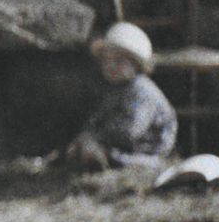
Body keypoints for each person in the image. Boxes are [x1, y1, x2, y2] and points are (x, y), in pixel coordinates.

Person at [44, 21, 179, 172]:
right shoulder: (116, 88)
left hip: (148, 150)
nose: (110, 66)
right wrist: (86, 134)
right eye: (106, 61)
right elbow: (99, 116)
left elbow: (131, 130)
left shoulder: (142, 91)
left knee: (103, 152)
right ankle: (69, 157)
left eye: (119, 61)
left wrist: (97, 136)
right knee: (82, 145)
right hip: (122, 143)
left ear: (137, 64)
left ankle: (102, 160)